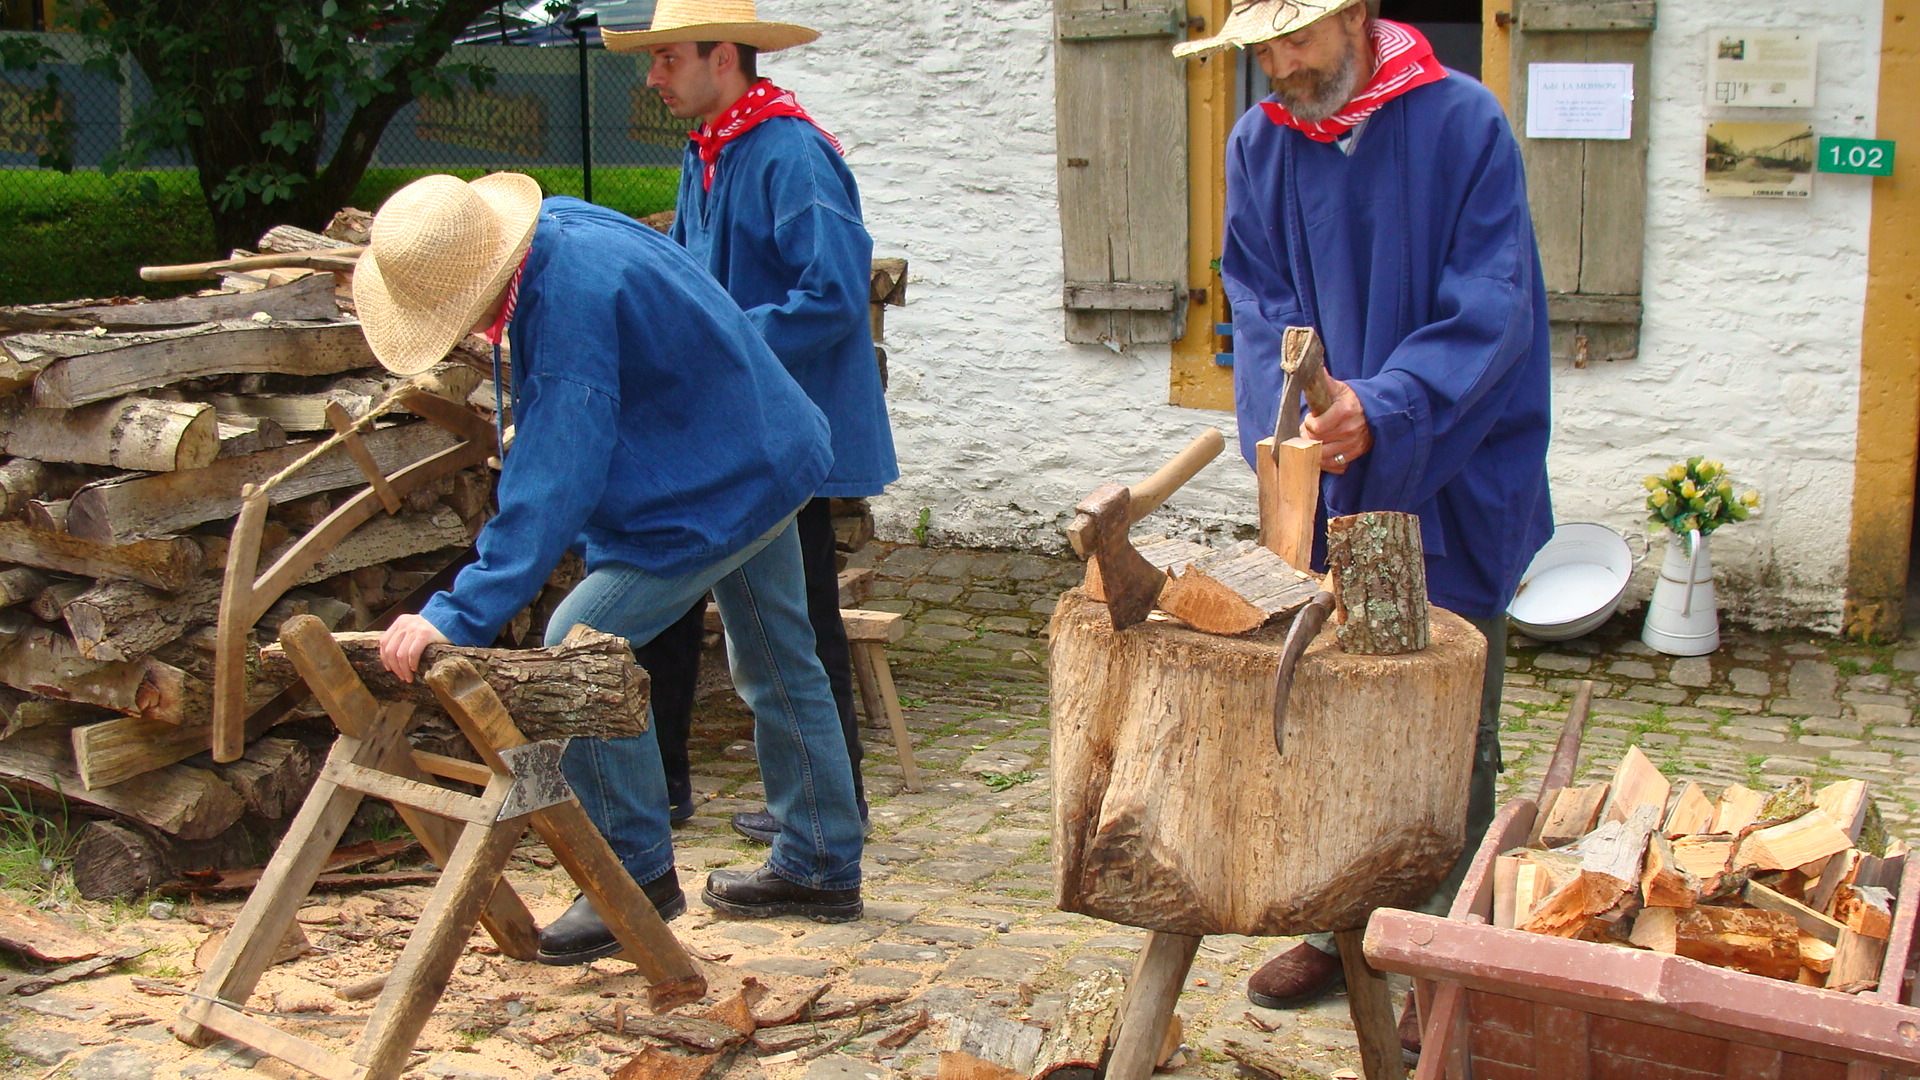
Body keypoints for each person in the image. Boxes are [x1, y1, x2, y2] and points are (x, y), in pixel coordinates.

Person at [361, 173, 866, 967]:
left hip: (727, 473)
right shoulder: (558, 229)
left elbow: (559, 472)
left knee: (579, 640)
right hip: (757, 445)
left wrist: (454, 614)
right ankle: (821, 859)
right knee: (777, 661)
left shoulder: (564, 304)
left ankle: (631, 874)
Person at [1173, 0, 1553, 1026]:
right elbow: (1256, 303)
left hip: (1456, 462)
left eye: (1297, 40)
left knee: (1448, 712)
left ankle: (1445, 937)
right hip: (1331, 475)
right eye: (1262, 49)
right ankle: (1341, 925)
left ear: (1356, 18)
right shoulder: (1261, 142)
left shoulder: (1464, 122)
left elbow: (1492, 304)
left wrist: (1382, 409)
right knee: (1334, 700)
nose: (1280, 67)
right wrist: (1299, 430)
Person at [604, 0, 897, 845]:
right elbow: (694, 279)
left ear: (722, 56)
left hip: (787, 432)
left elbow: (834, 296)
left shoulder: (790, 153)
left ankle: (833, 812)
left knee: (800, 619)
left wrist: (718, 345)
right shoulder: (710, 150)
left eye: (666, 59)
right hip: (732, 427)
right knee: (706, 604)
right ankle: (673, 792)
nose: (652, 76)